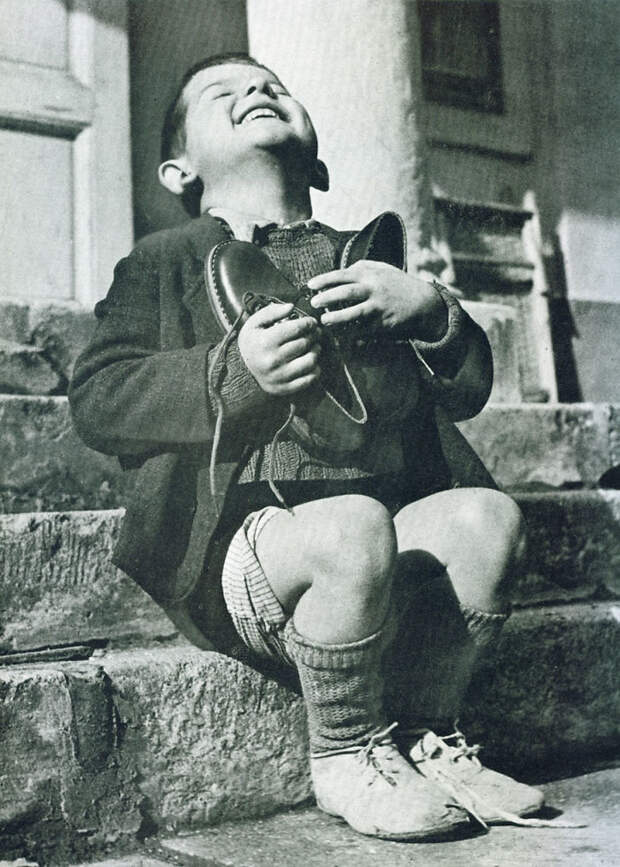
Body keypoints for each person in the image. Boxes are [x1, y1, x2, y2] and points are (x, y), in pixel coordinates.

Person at [69, 53, 543, 842]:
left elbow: (464, 391)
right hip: (251, 552)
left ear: (318, 157)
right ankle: (348, 748)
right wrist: (229, 372)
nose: (257, 91)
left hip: (375, 550)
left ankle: (429, 733)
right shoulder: (166, 259)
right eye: (225, 95)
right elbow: (98, 397)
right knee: (353, 523)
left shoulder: (369, 258)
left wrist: (428, 309)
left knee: (487, 517)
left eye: (274, 88)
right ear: (178, 169)